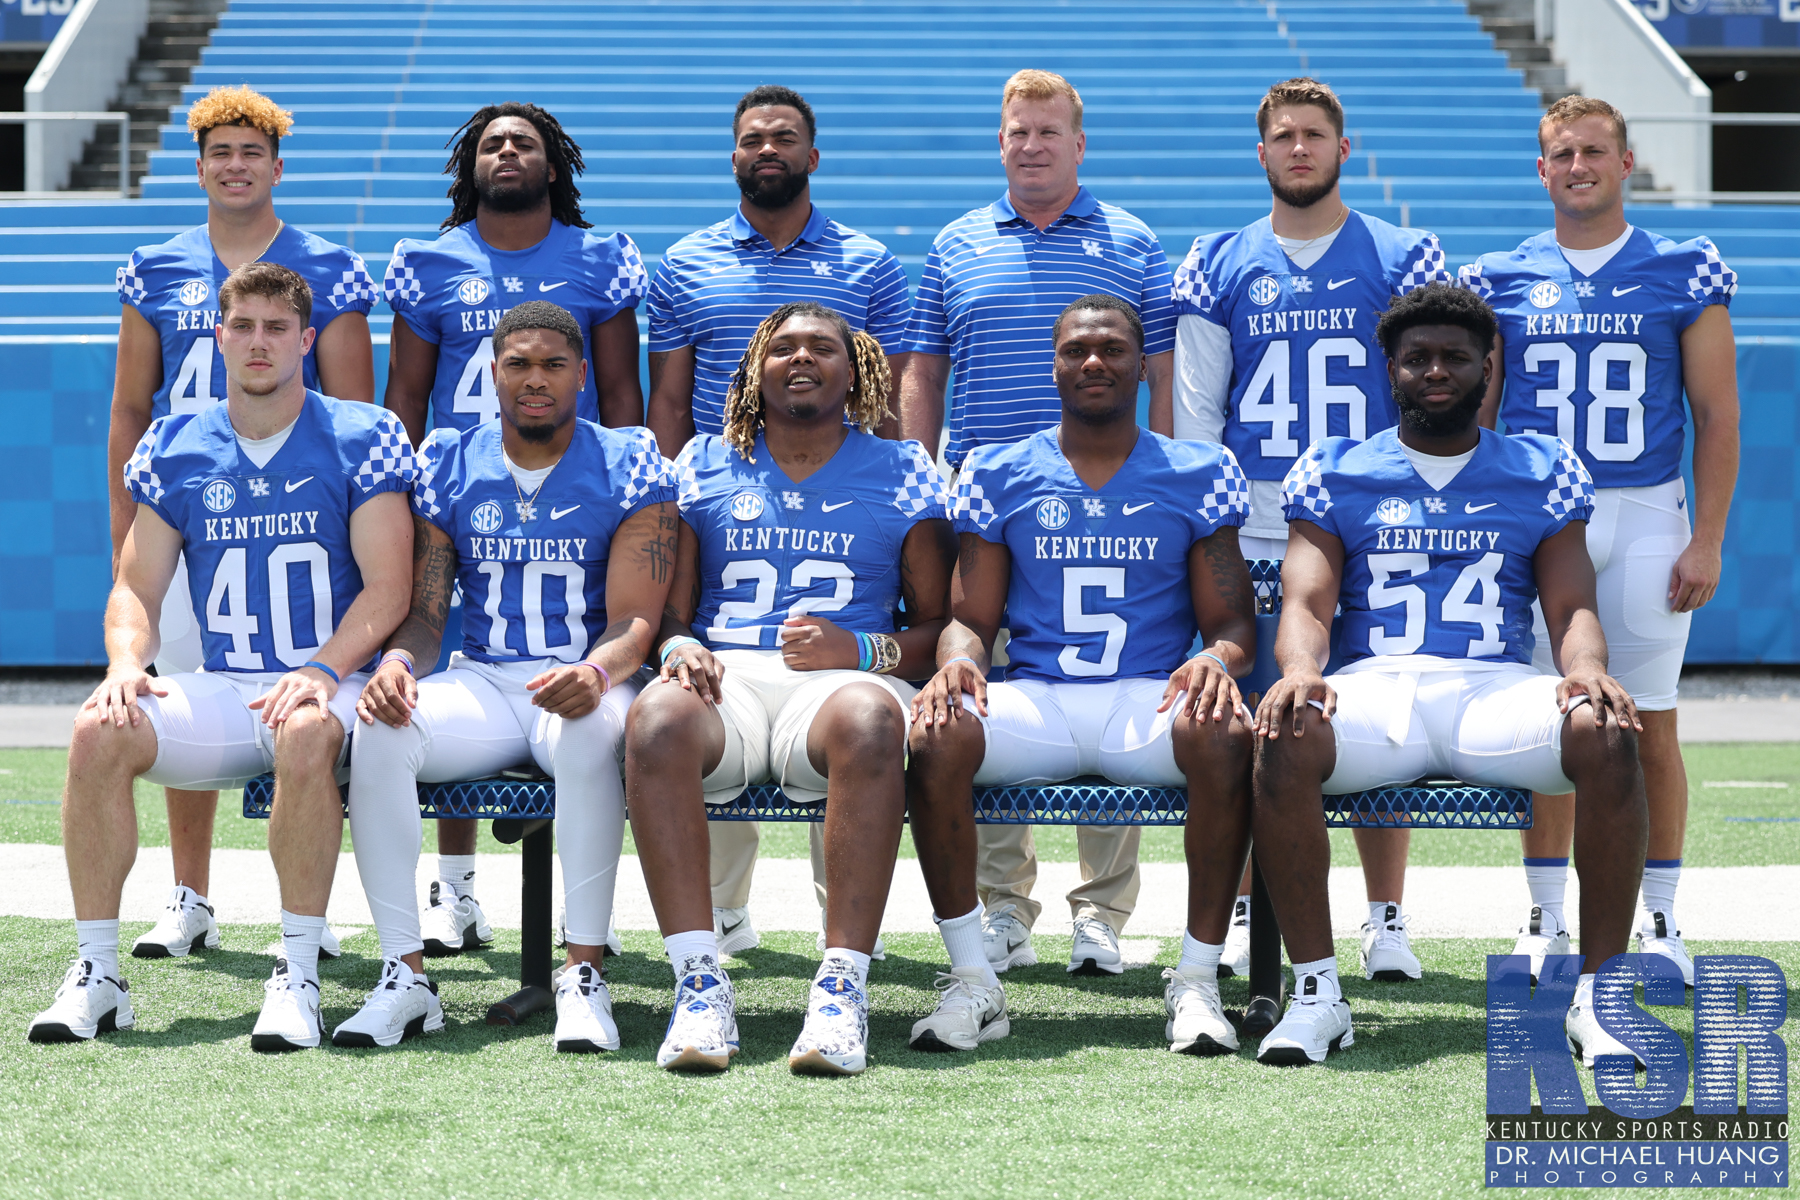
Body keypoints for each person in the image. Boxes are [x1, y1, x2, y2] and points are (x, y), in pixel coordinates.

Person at [1250, 283, 1647, 1068]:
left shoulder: (1540, 467)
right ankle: (1318, 995)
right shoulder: (1337, 467)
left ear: (1487, 367)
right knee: (1286, 730)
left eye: (1455, 357)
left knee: (1606, 732)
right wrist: (1299, 669)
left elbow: (1571, 605)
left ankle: (1599, 998)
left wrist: (1589, 669)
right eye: (1417, 357)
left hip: (1492, 691)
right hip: (1376, 691)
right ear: (1389, 368)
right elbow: (1307, 599)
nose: (1436, 370)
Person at [29, 263, 414, 1049]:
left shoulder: (360, 434)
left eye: (278, 328)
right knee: (100, 729)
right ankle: (97, 973)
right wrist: (126, 662)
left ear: (307, 340)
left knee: (306, 729)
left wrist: (323, 670)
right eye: (244, 325)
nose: (259, 342)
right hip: (227, 686)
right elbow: (136, 587)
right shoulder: (176, 441)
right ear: (219, 335)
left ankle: (300, 970)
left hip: (328, 683)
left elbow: (388, 591)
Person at [906, 295, 1256, 1056]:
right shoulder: (1001, 467)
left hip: (1147, 698)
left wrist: (1213, 658)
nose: (1093, 362)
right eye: (1075, 351)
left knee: (1227, 731)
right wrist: (959, 663)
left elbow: (1233, 626)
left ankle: (1195, 978)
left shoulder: (1197, 469)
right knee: (935, 736)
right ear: (1054, 364)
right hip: (1043, 698)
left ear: (1139, 366)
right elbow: (972, 618)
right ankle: (974, 979)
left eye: (1111, 350)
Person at [1170, 76, 1454, 983]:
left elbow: (1431, 390)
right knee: (1250, 714)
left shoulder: (1404, 254)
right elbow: (1196, 411)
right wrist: (1209, 519)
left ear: (1342, 147)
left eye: (1315, 135)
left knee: (1367, 704)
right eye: (1284, 135)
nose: (1299, 148)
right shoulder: (1217, 259)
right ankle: (1255, 905)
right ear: (1262, 152)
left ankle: (1385, 913)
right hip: (1252, 518)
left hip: (1365, 517)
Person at [625, 302, 954, 1075]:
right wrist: (678, 648)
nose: (801, 359)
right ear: (754, 371)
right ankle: (699, 984)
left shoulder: (904, 467)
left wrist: (862, 647)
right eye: (783, 348)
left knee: (875, 721)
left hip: (839, 685)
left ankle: (841, 989)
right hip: (729, 677)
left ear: (856, 370)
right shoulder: (702, 461)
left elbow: (941, 627)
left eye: (822, 349)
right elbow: (668, 614)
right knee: (654, 718)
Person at [899, 68, 1177, 978]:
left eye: (1048, 131)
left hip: (1107, 505)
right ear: (1002, 141)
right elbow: (924, 370)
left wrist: (1158, 476)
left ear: (1079, 143)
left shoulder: (1131, 242)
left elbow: (1162, 377)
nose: (1031, 145)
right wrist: (920, 476)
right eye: (1017, 131)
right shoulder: (955, 244)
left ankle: (1101, 912)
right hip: (989, 506)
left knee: (1112, 669)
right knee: (987, 685)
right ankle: (1003, 905)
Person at [339, 301, 675, 1051]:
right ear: (492, 374)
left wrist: (594, 671)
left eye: (554, 364)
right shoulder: (450, 461)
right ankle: (405, 975)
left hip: (587, 678)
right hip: (488, 680)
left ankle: (583, 971)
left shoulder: (629, 459)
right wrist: (395, 662)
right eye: (518, 363)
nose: (535, 379)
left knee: (588, 735)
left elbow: (635, 619)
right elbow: (427, 614)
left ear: (582, 376)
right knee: (382, 731)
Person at [1460, 95, 1739, 988]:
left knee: (1651, 723)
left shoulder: (1682, 267)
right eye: (1561, 154)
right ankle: (1545, 916)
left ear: (1625, 162)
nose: (1577, 165)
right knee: (1555, 726)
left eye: (1593, 151)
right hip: (1545, 521)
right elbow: (1483, 418)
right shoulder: (1501, 277)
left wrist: (1709, 537)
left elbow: (1717, 413)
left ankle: (1659, 914)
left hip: (1650, 508)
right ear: (1540, 170)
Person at [643, 84, 914, 954]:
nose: (768, 148)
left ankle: (845, 936)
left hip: (838, 492)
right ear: (733, 156)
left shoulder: (867, 262)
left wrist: (868, 486)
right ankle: (720, 917)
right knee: (700, 692)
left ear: (811, 154)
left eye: (785, 137)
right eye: (753, 138)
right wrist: (675, 489)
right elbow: (671, 398)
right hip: (730, 483)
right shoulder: (686, 261)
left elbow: (886, 398)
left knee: (849, 711)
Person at [110, 86, 377, 961]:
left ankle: (310, 906)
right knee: (184, 689)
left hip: (294, 505)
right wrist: (130, 527)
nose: (235, 166)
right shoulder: (157, 263)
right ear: (198, 167)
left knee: (312, 705)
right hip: (189, 508)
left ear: (276, 166)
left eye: (250, 153)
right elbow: (129, 407)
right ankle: (190, 894)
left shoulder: (325, 264)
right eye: (220, 153)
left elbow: (352, 404)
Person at [382, 101, 649, 951]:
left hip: (571, 475)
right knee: (444, 659)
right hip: (461, 489)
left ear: (552, 163)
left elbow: (619, 389)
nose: (506, 153)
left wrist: (630, 472)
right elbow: (406, 398)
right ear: (471, 163)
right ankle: (451, 893)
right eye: (492, 142)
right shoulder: (428, 259)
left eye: (523, 142)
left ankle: (585, 953)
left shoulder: (596, 257)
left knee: (570, 673)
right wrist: (408, 500)